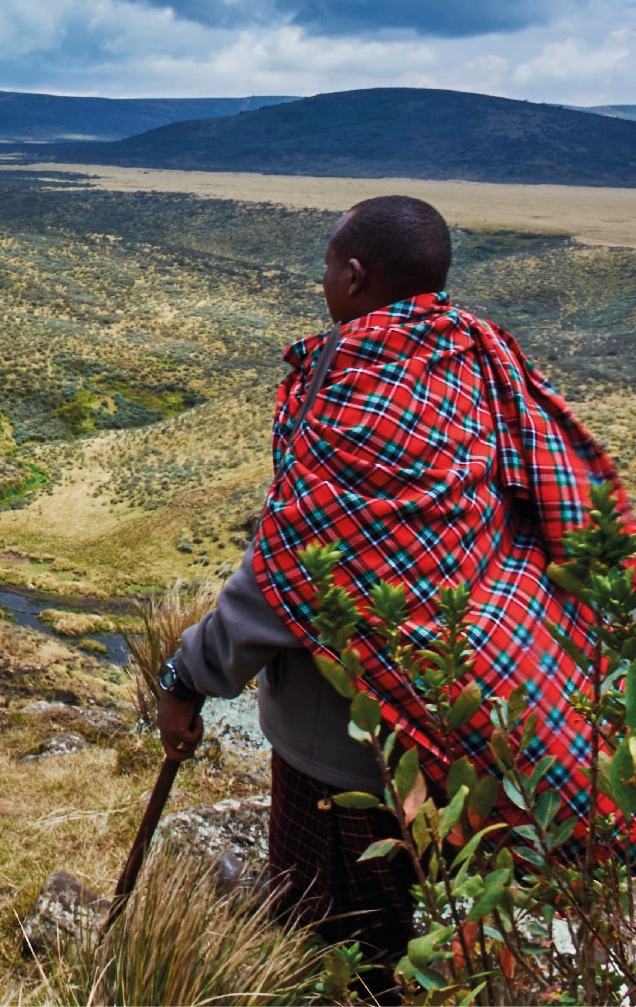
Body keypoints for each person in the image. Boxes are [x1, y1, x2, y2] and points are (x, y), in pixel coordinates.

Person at [155, 195, 629, 986]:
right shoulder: (468, 353)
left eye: (327, 264)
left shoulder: (359, 395)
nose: (322, 279)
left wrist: (187, 677)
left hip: (344, 754)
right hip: (474, 724)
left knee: (338, 950)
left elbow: (285, 572)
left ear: (356, 274)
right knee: (443, 946)